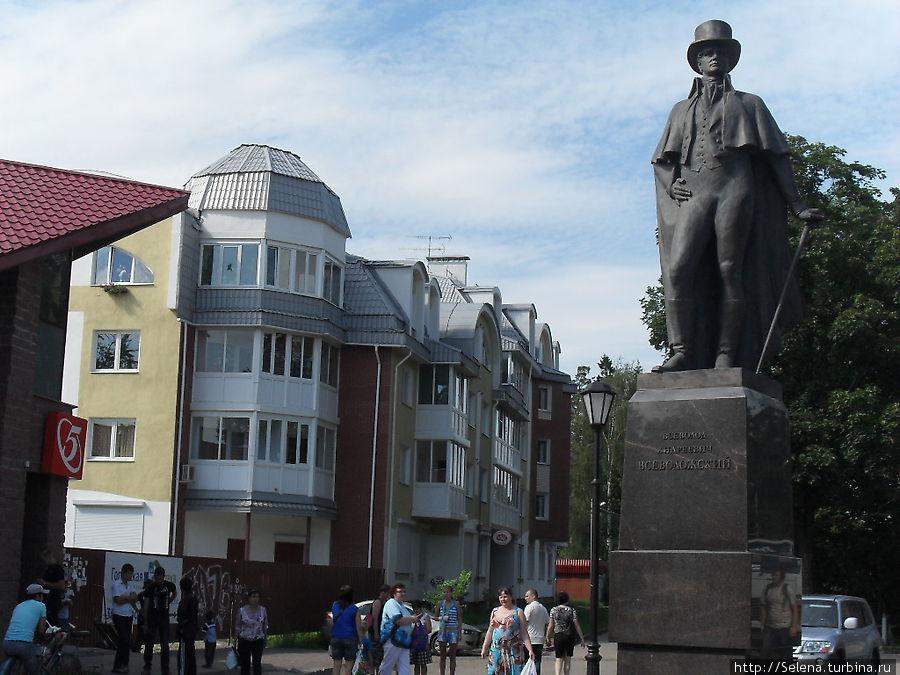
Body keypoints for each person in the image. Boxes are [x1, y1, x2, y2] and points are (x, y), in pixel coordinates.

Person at [651, 20, 824, 372]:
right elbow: (662, 160)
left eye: (720, 52)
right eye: (707, 52)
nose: (714, 57)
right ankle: (681, 348)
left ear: (731, 60)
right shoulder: (679, 110)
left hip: (734, 187)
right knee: (680, 268)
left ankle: (726, 352)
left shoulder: (750, 104)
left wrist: (798, 204)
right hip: (696, 192)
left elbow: (777, 156)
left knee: (731, 269)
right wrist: (671, 184)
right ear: (698, 62)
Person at [480, 587, 534, 675]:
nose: (503, 599)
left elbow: (524, 633)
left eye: (505, 596)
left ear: (511, 597)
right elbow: (490, 631)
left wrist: (530, 650)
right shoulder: (495, 611)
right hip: (496, 651)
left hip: (513, 651)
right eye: (501, 597)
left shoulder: (518, 612)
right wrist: (484, 648)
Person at [2, 584, 50, 675]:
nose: (43, 597)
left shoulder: (18, 606)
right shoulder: (41, 606)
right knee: (33, 670)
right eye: (42, 595)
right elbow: (41, 630)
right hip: (24, 645)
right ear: (38, 596)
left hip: (7, 643)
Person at [379, 583, 420, 675]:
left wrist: (410, 620)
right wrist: (413, 619)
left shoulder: (402, 606)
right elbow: (398, 620)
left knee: (405, 668)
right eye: (399, 592)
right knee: (387, 666)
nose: (402, 594)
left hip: (404, 642)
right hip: (393, 640)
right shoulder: (391, 603)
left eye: (404, 592)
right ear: (393, 593)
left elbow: (406, 620)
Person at [142, 567, 177, 675]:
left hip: (164, 618)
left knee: (165, 644)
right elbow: (146, 605)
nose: (159, 580)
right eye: (157, 578)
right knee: (149, 643)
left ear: (163, 577)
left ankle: (165, 669)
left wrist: (168, 602)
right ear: (155, 577)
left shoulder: (169, 585)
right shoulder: (150, 588)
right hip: (152, 617)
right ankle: (147, 667)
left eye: (161, 578)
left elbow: (175, 593)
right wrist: (145, 622)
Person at [759, 568, 799, 657]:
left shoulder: (787, 589)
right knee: (765, 651)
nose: (774, 577)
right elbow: (764, 607)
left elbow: (795, 609)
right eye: (773, 575)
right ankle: (764, 669)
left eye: (776, 575)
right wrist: (762, 624)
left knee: (785, 653)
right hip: (771, 625)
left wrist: (794, 627)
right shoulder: (767, 588)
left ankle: (786, 669)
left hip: (784, 626)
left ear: (781, 577)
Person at [546, 593, 583, 675]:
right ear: (567, 600)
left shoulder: (554, 610)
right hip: (569, 636)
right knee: (567, 659)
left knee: (558, 658)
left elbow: (551, 625)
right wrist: (582, 638)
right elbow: (576, 624)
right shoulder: (571, 610)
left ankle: (557, 674)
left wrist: (548, 636)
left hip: (558, 635)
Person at [111, 563, 139, 674]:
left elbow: (135, 598)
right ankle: (118, 665)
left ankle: (123, 665)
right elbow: (118, 600)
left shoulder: (130, 585)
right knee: (123, 639)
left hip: (128, 615)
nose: (130, 576)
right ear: (123, 573)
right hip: (119, 615)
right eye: (129, 574)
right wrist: (128, 598)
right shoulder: (116, 584)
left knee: (125, 641)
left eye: (131, 574)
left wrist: (127, 598)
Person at [330, 585, 364, 675]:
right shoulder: (355, 609)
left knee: (336, 665)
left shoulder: (335, 605)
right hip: (350, 638)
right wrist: (361, 642)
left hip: (336, 637)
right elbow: (358, 627)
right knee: (348, 666)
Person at [234, 590, 268, 675]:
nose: (255, 599)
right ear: (249, 598)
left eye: (257, 597)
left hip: (258, 640)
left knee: (257, 663)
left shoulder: (262, 610)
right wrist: (235, 640)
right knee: (245, 665)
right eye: (253, 596)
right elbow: (237, 626)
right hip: (244, 640)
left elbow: (265, 625)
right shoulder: (242, 610)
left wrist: (265, 639)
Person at [434, 584, 460, 675]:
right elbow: (435, 617)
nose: (446, 594)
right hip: (443, 630)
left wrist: (459, 633)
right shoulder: (440, 603)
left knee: (452, 656)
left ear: (452, 593)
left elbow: (459, 619)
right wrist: (442, 618)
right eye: (444, 592)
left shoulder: (456, 604)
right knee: (442, 655)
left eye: (448, 592)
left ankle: (452, 673)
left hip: (453, 631)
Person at [36, 548, 66, 627]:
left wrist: (45, 583)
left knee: (51, 621)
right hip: (46, 600)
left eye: (45, 559)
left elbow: (61, 586)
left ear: (49, 557)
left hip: (53, 600)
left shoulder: (58, 569)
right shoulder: (48, 569)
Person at [523, 590, 549, 675]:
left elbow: (524, 622)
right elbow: (547, 622)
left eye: (527, 596)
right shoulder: (543, 608)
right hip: (539, 639)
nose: (525, 598)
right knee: (537, 661)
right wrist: (547, 636)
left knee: (528, 661)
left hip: (529, 638)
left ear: (533, 596)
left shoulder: (529, 607)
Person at [176, 578, 199, 675]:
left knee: (183, 656)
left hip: (185, 631)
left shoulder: (185, 600)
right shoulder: (194, 598)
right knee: (191, 654)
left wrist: (181, 626)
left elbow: (182, 616)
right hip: (192, 630)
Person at [368, 584, 390, 673]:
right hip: (375, 633)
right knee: (374, 657)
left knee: (381, 657)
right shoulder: (378, 602)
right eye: (387, 592)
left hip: (383, 633)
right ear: (383, 593)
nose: (388, 594)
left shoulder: (386, 603)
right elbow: (375, 618)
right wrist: (376, 633)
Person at [408, 601, 432, 675]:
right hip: (414, 645)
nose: (416, 611)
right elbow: (409, 632)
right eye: (414, 609)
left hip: (423, 644)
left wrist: (421, 624)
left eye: (417, 609)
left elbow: (429, 630)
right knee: (416, 665)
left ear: (421, 608)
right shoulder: (412, 617)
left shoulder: (426, 617)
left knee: (423, 665)